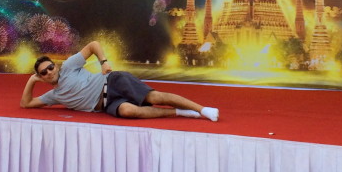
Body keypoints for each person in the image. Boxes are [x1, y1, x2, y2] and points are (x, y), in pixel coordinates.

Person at [21, 41, 219, 122]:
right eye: (43, 73)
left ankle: (202, 109)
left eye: (50, 67)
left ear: (55, 66)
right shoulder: (54, 95)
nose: (49, 72)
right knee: (128, 111)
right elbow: (26, 104)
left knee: (154, 96)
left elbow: (93, 45)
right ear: (42, 77)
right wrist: (31, 81)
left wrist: (103, 62)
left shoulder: (68, 66)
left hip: (112, 81)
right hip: (107, 104)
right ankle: (181, 112)